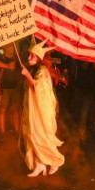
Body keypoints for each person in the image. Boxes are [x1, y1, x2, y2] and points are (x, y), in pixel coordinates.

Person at [20, 40, 64, 176]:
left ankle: (55, 161)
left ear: (39, 58)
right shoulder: (35, 69)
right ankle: (39, 165)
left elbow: (38, 88)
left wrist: (27, 74)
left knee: (40, 136)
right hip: (34, 110)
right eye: (29, 55)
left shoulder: (43, 70)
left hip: (42, 111)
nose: (28, 58)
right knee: (32, 135)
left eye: (32, 56)